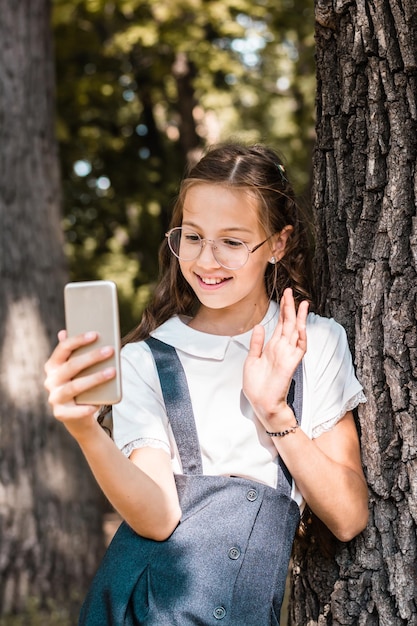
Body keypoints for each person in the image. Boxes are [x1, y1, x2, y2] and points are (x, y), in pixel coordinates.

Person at [44, 143, 369, 625]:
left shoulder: (313, 343)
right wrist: (86, 432)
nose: (206, 260)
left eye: (233, 242)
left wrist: (275, 411)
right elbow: (157, 518)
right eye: (192, 236)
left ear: (277, 244)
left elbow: (347, 517)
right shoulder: (146, 360)